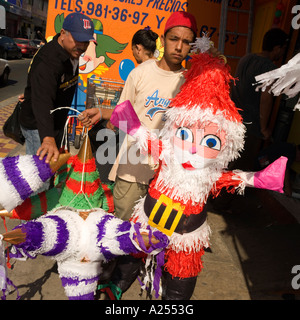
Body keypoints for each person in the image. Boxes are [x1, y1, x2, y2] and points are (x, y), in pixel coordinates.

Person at [79, 11, 201, 298]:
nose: (179, 46)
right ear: (163, 40)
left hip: (169, 175)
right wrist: (103, 113)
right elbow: (123, 113)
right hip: (133, 164)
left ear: (192, 46)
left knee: (161, 231)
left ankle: (145, 276)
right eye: (174, 39)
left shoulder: (193, 81)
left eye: (186, 41)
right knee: (123, 226)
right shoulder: (140, 73)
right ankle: (112, 280)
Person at [19, 12, 97, 165]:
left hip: (55, 122)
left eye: (86, 41)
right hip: (39, 125)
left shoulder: (71, 53)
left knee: (53, 168)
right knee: (41, 174)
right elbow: (43, 101)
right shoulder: (48, 61)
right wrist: (47, 138)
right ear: (63, 34)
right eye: (78, 39)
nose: (82, 46)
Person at [230, 28, 289, 171]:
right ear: (276, 48)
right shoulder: (269, 67)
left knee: (227, 160)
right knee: (240, 169)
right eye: (283, 49)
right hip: (250, 127)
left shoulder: (246, 58)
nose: (282, 54)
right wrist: (264, 128)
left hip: (231, 120)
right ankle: (229, 193)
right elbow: (265, 99)